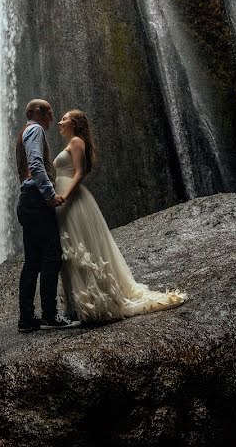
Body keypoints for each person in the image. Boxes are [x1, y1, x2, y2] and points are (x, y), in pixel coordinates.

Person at [54, 109, 187, 322]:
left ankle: (93, 303)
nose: (60, 122)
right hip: (64, 199)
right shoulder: (72, 143)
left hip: (70, 199)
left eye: (64, 119)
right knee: (70, 249)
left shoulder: (77, 141)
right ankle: (76, 305)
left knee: (79, 248)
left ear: (75, 123)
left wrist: (64, 196)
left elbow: (79, 172)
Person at [16, 99, 80, 332]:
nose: (52, 118)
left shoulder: (24, 131)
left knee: (32, 261)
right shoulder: (35, 130)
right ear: (36, 113)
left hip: (27, 201)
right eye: (49, 113)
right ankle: (50, 314)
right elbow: (35, 163)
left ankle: (26, 318)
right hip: (37, 201)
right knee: (52, 255)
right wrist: (50, 195)